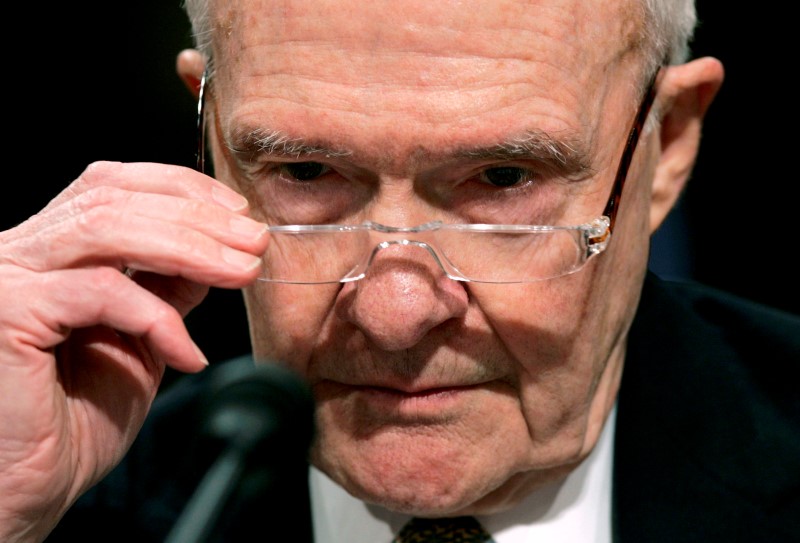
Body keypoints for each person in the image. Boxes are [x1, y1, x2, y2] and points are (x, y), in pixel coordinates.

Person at [1, 0, 798, 541]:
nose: (394, 311)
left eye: (503, 180)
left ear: (668, 144)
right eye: (306, 173)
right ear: (208, 134)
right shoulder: (73, 501)